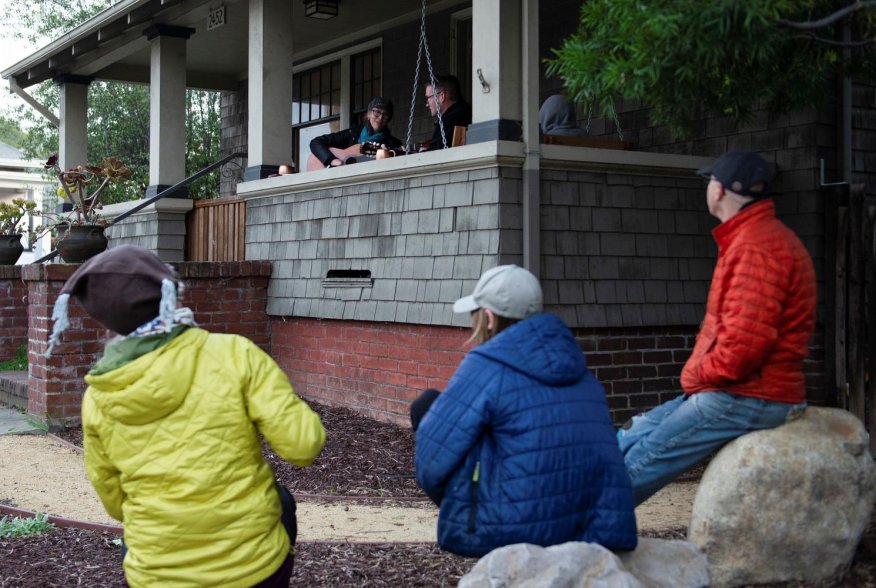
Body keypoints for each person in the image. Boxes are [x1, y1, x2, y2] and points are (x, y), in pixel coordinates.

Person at [46, 245, 326, 588]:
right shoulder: (235, 354)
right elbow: (304, 445)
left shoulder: (99, 397)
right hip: (252, 568)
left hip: (155, 574)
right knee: (281, 501)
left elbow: (116, 504)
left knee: (134, 535)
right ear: (170, 292)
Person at [617, 150, 816, 506]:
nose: (707, 187)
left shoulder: (758, 247)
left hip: (752, 393)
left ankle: (572, 529)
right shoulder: (750, 238)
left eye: (710, 180)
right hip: (739, 388)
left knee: (641, 461)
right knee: (630, 437)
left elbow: (742, 349)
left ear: (721, 190)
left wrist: (696, 375)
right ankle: (569, 510)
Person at [413, 265, 637, 558]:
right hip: (599, 523)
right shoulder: (579, 367)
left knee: (427, 406)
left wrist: (463, 505)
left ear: (489, 318)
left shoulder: (487, 364)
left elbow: (431, 464)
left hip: (516, 527)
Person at [309, 96, 402, 168]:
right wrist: (332, 160)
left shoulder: (394, 144)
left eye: (385, 115)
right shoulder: (352, 134)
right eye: (377, 112)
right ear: (369, 114)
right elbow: (315, 142)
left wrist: (387, 155)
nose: (380, 117)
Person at [422, 74, 472, 151]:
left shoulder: (451, 119)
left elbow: (436, 153)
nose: (426, 104)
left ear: (442, 96)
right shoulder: (463, 112)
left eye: (428, 98)